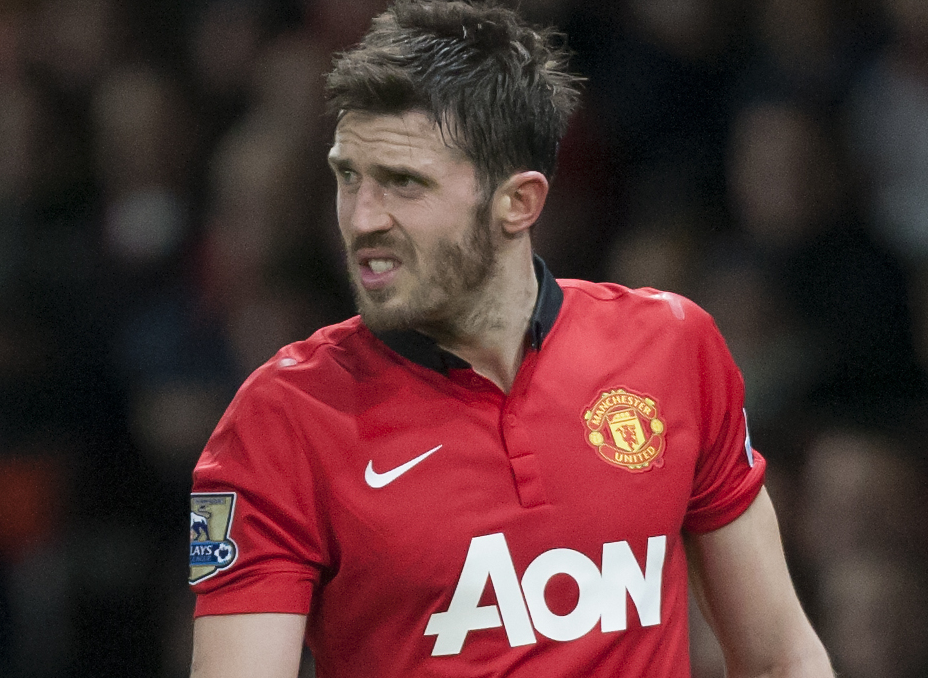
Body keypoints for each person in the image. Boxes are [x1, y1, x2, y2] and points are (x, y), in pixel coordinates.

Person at [187, 2, 835, 676]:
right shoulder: (282, 419)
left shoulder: (672, 348)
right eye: (349, 176)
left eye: (403, 183)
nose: (362, 218)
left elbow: (778, 659)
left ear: (519, 202)